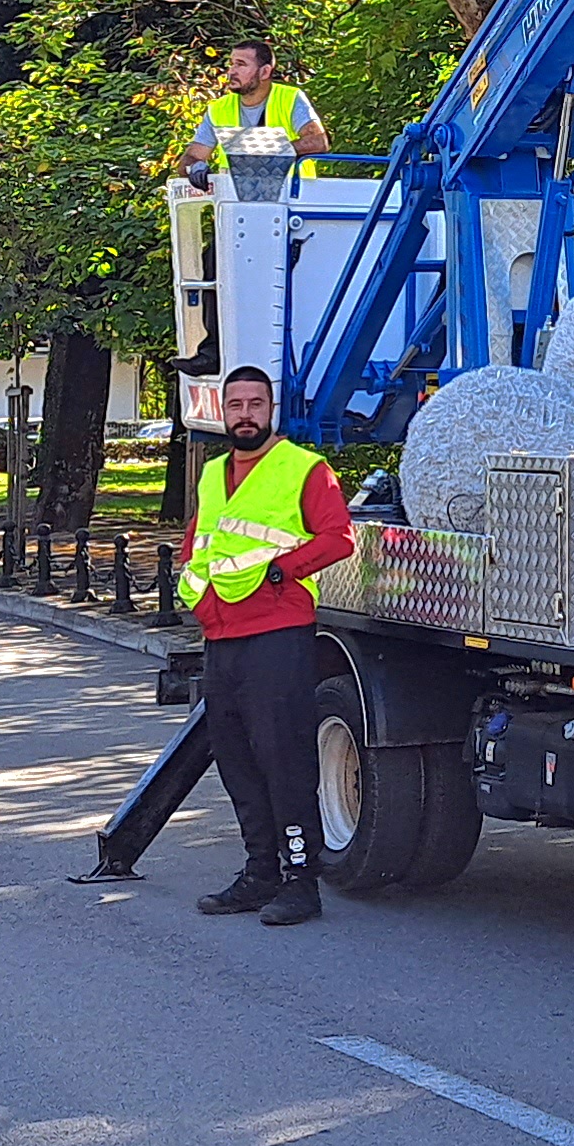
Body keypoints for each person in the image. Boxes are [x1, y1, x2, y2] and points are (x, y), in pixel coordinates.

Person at [171, 363, 354, 925]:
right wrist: (198, 598)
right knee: (236, 760)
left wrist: (280, 572)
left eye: (255, 404)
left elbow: (338, 538)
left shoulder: (303, 468)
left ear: (271, 409)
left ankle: (301, 882)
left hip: (278, 633)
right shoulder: (212, 474)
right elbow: (197, 547)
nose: (245, 415)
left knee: (284, 760)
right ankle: (259, 874)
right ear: (222, 412)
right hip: (221, 636)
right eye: (236, 405)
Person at [176, 39, 329, 184]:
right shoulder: (218, 108)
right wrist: (195, 167)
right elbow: (191, 157)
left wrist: (271, 153)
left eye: (241, 65)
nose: (231, 71)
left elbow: (318, 142)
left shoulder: (289, 98)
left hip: (291, 195)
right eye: (231, 64)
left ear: (265, 72)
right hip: (235, 198)